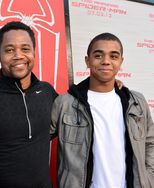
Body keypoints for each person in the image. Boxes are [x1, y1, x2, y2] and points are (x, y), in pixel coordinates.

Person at [50, 32, 154, 188]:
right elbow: (36, 141)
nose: (106, 61)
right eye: (98, 56)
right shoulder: (65, 103)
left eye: (113, 56)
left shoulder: (136, 102)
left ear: (121, 61)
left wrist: (148, 178)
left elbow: (150, 142)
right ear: (87, 60)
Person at [0, 21, 58, 187]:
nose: (18, 55)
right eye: (9, 50)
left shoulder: (47, 91)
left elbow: (74, 105)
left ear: (34, 52)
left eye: (25, 49)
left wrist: (112, 86)